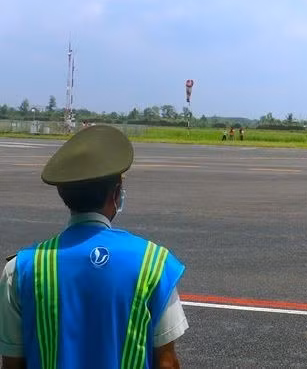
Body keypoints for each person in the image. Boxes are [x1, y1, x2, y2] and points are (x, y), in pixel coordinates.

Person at [0, 125, 187, 369]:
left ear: (63, 194)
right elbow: (167, 362)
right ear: (116, 194)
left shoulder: (20, 269)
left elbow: (12, 363)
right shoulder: (153, 263)